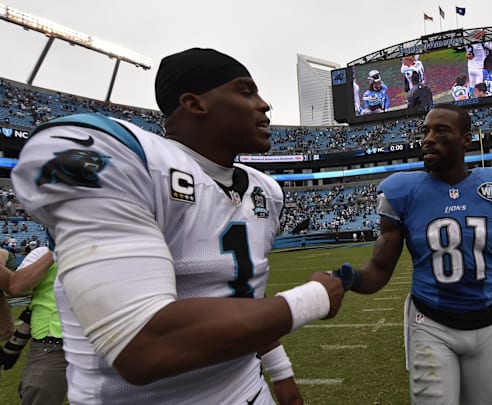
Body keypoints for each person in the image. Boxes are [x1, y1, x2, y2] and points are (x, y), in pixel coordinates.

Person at [11, 47, 345, 404]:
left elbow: (244, 300)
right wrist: (311, 299)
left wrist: (279, 371)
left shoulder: (266, 191)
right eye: (245, 91)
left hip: (249, 391)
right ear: (195, 103)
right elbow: (141, 343)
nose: (264, 105)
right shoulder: (128, 159)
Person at [335, 104, 492, 404]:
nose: (427, 138)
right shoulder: (404, 191)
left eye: (440, 131)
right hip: (431, 324)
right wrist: (350, 279)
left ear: (465, 139)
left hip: (488, 324)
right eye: (425, 131)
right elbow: (378, 269)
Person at [1, 245, 64, 405]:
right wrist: (56, 249)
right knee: (39, 395)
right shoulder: (42, 252)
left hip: (102, 342)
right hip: (52, 342)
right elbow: (16, 287)